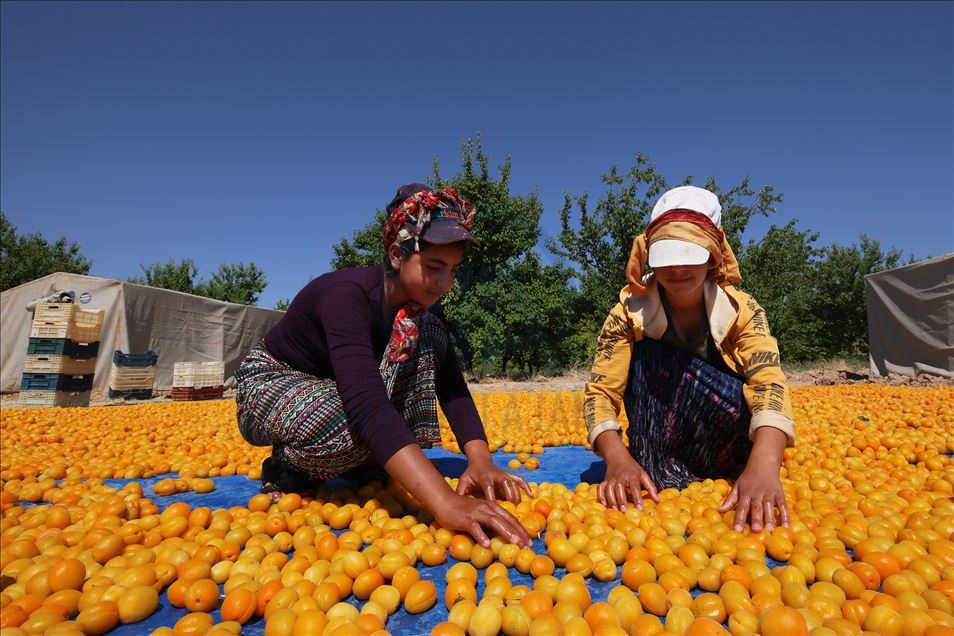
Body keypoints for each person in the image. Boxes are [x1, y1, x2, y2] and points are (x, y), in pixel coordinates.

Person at [235, 183, 532, 548]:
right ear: (396, 254)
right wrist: (445, 501)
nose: (444, 283)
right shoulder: (345, 296)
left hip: (338, 389)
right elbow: (367, 406)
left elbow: (452, 386)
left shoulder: (423, 313)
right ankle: (289, 467)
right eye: (434, 266)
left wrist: (481, 460)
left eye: (454, 270)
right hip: (272, 382)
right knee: (345, 426)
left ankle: (360, 462)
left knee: (430, 334)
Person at [583, 185, 795, 533]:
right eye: (667, 256)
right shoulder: (628, 314)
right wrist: (617, 460)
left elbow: (768, 382)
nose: (677, 269)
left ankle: (738, 471)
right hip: (660, 444)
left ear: (713, 256)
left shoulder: (743, 311)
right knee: (648, 355)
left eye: (689, 255)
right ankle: (662, 473)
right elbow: (600, 393)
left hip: (729, 439)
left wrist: (766, 464)